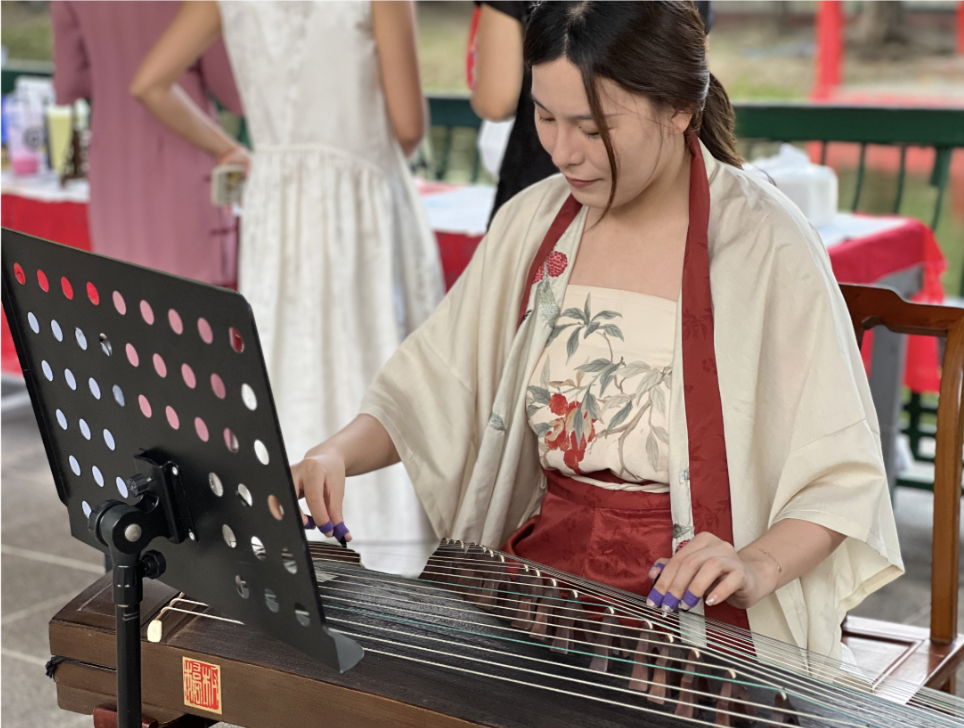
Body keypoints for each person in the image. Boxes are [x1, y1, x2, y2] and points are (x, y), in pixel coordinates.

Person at [291, 1, 903, 658]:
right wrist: (337, 454)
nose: (562, 151)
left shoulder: (764, 242)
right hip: (539, 582)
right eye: (545, 117)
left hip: (689, 606)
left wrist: (756, 565)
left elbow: (842, 473)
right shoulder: (536, 222)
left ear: (678, 108)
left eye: (591, 125)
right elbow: (434, 381)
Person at [132, 1, 445, 547]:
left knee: (281, 365)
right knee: (372, 360)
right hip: (359, 201)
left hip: (277, 207)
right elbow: (409, 127)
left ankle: (280, 535)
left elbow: (149, 83)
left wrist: (233, 148)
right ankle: (387, 542)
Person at [51, 1, 244, 286]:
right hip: (185, 163)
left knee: (122, 303)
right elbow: (234, 92)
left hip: (110, 169)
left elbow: (68, 84)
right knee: (195, 313)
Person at [470, 0, 713, 224]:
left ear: (679, 109)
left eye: (593, 130)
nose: (562, 156)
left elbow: (495, 100)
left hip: (536, 181)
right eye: (546, 118)